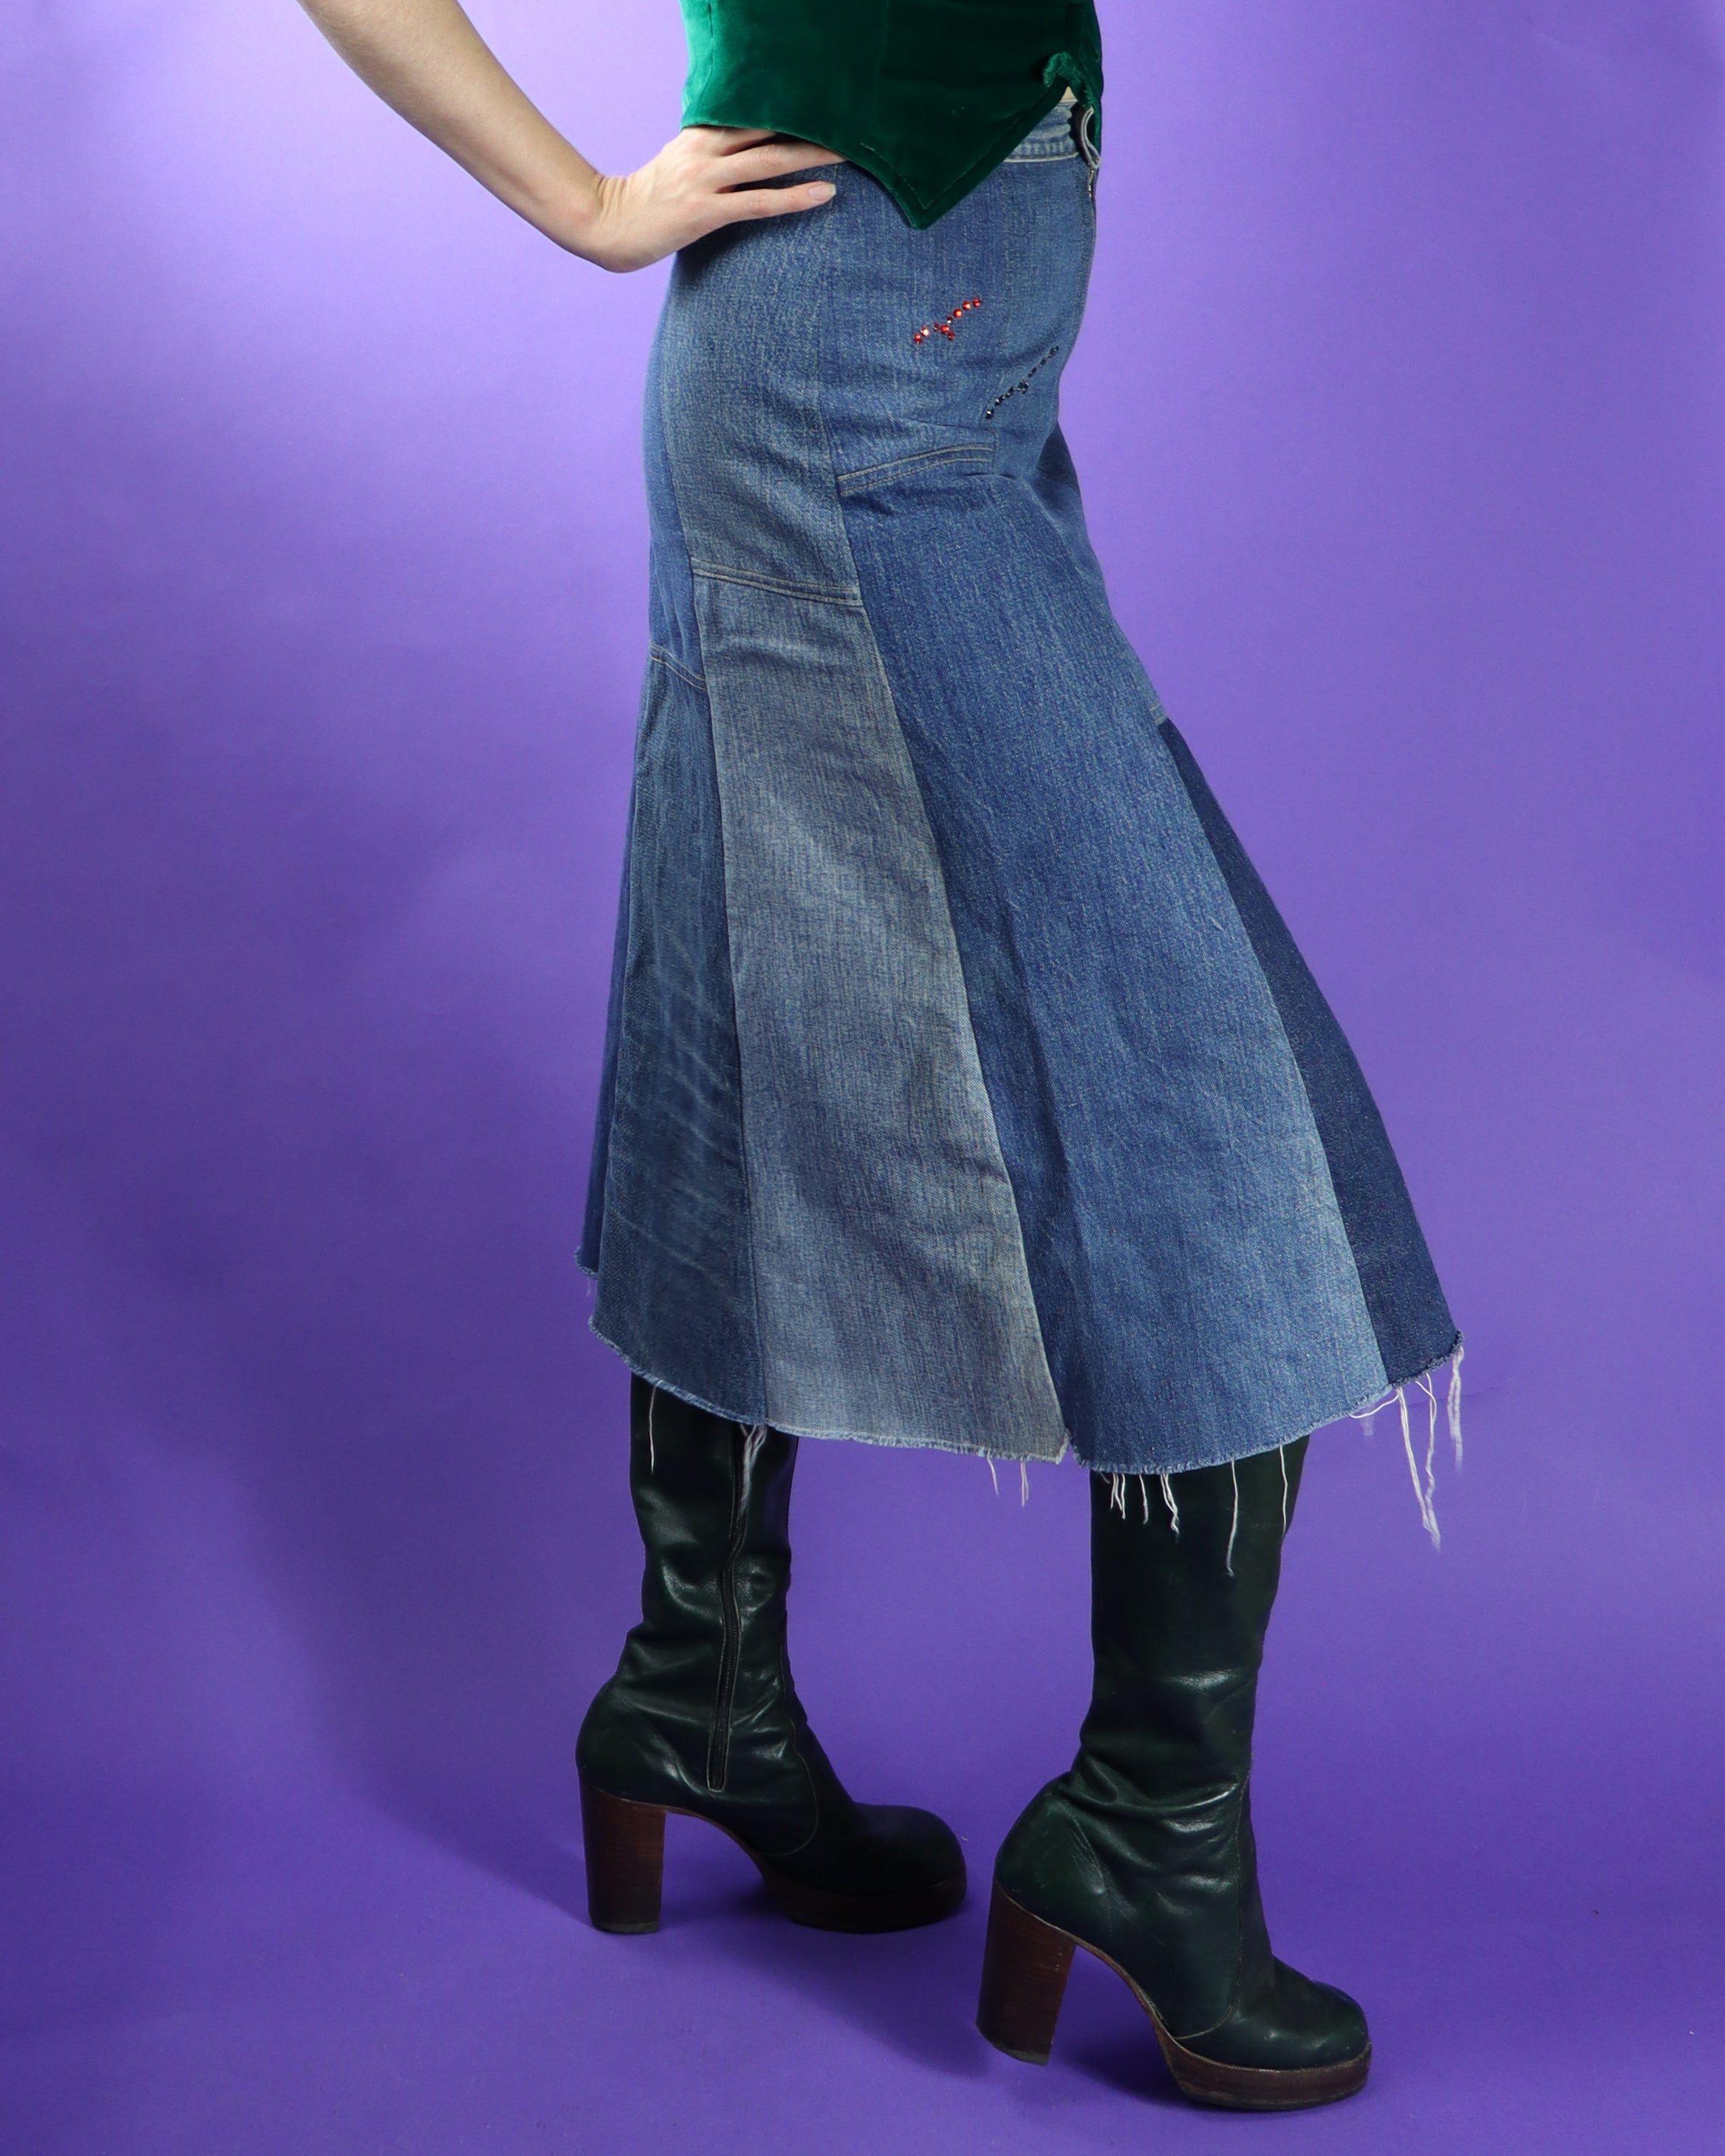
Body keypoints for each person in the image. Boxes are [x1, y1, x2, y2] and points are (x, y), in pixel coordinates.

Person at [294, 0, 1462, 2111]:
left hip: (964, 376)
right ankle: (1147, 1825)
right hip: (842, 387)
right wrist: (582, 203)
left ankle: (702, 1691)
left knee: (756, 995)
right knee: (1203, 1095)